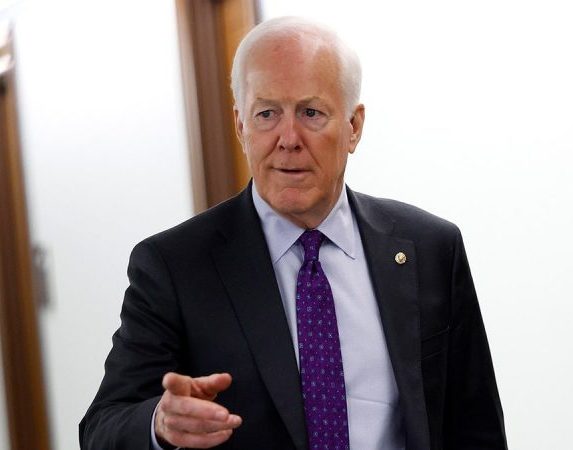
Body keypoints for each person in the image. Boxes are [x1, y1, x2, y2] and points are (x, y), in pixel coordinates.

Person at [80, 16, 507, 450]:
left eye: (311, 112)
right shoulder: (175, 266)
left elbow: (477, 429)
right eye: (266, 114)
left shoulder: (430, 249)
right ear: (241, 126)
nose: (288, 138)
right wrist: (160, 425)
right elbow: (101, 427)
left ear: (354, 126)